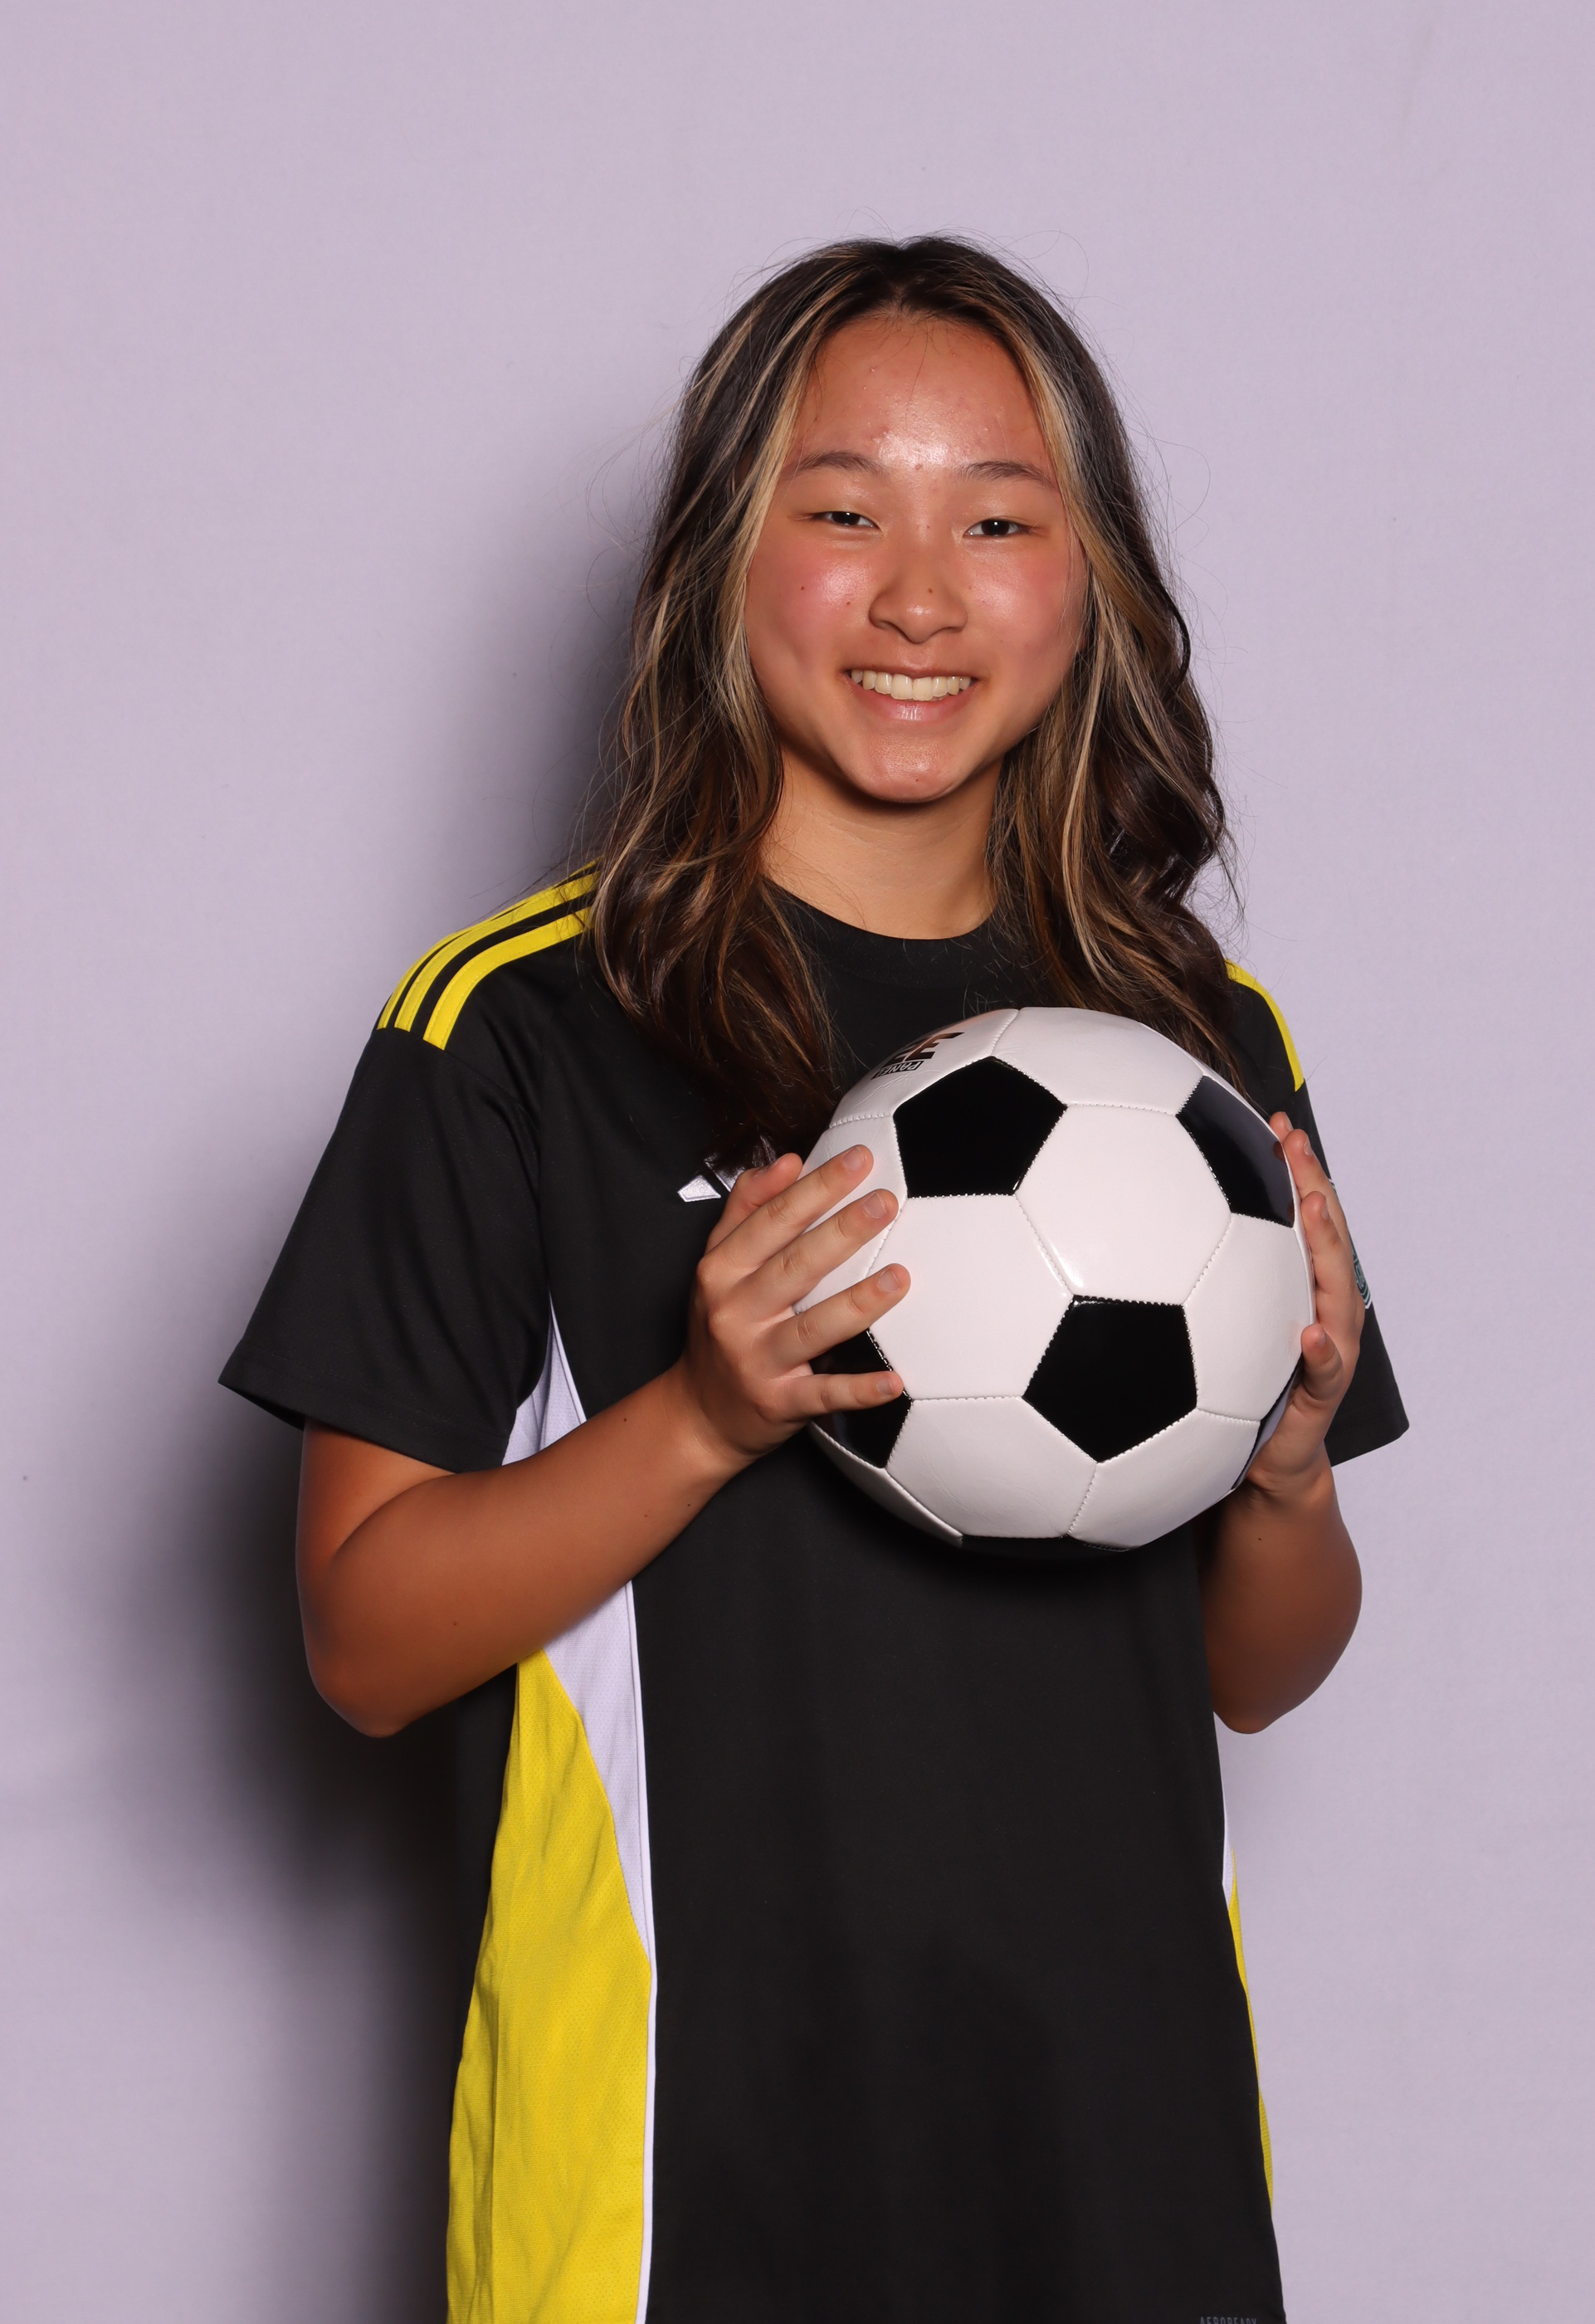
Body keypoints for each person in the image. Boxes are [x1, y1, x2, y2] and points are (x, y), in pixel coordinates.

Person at [223, 237, 1407, 2324]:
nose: (920, 594)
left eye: (998, 521)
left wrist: (1290, 1471)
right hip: (687, 2157)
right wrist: (700, 1417)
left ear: (1091, 581)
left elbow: (1254, 1666)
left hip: (1117, 2148)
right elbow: (363, 1641)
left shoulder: (1194, 1049)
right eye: (842, 510)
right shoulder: (519, 1027)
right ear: (719, 561)